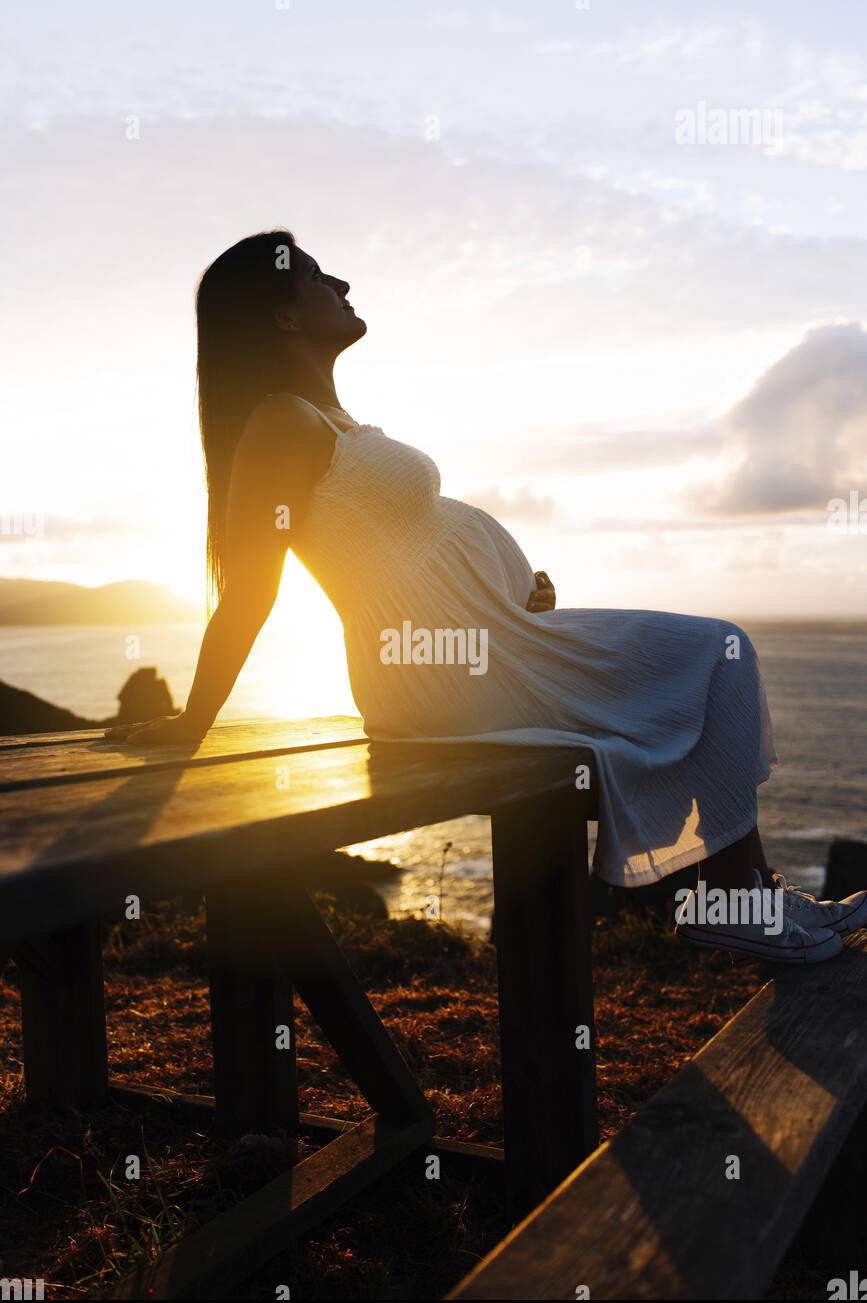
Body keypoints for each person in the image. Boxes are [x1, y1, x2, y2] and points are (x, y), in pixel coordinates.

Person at [105, 229, 867, 964]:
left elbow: (399, 552)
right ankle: (733, 907)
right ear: (282, 314)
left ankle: (744, 899)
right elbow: (252, 585)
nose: (339, 285)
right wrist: (192, 720)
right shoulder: (280, 422)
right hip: (433, 677)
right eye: (316, 276)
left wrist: (508, 592)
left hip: (493, 642)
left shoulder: (333, 421)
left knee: (712, 661)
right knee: (715, 651)